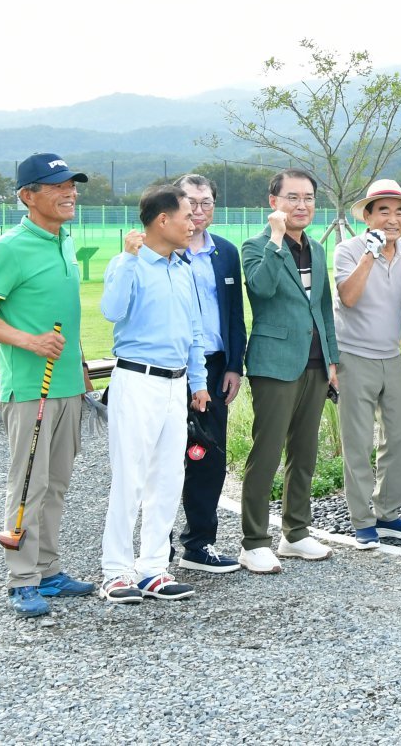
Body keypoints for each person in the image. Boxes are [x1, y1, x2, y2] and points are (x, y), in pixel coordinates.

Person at [0, 153, 98, 618]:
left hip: (66, 385)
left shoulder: (63, 241)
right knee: (28, 484)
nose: (70, 193)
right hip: (29, 388)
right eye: (58, 185)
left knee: (57, 483)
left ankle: (47, 570)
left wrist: (79, 365)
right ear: (28, 195)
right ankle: (21, 579)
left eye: (72, 185)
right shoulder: (9, 248)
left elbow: (62, 318)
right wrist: (30, 342)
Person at [97, 185, 209, 605]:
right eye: (186, 216)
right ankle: (116, 571)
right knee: (130, 476)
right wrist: (128, 259)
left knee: (167, 477)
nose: (194, 222)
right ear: (163, 220)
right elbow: (112, 311)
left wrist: (198, 383)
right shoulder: (127, 263)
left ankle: (152, 569)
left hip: (176, 383)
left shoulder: (184, 267)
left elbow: (194, 331)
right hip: (136, 380)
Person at [237, 169, 340, 574]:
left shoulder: (316, 247)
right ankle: (253, 541)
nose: (302, 205)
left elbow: (323, 308)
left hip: (315, 364)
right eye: (293, 197)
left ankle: (295, 533)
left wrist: (332, 360)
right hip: (274, 364)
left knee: (305, 451)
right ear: (273, 202)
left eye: (309, 198)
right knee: (266, 452)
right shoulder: (256, 246)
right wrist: (278, 240)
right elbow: (260, 289)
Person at [332, 180, 401, 548]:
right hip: (354, 356)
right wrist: (369, 256)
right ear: (367, 215)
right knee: (357, 442)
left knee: (398, 438)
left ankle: (388, 513)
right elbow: (349, 298)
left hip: (390, 356)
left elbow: (400, 301)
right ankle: (362, 521)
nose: (392, 218)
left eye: (399, 211)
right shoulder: (347, 250)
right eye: (383, 210)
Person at [171, 173, 247, 574]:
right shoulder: (165, 248)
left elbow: (234, 312)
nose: (199, 211)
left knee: (209, 457)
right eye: (191, 202)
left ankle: (200, 543)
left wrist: (235, 364)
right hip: (172, 367)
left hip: (217, 366)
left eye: (206, 203)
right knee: (166, 456)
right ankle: (156, 546)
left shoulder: (226, 252)